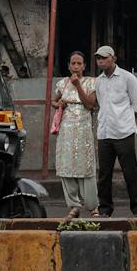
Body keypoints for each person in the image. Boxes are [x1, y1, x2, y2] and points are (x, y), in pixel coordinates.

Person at [92, 45, 137, 218]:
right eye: (98, 57)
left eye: (104, 57)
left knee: (130, 173)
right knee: (104, 175)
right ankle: (105, 210)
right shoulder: (98, 81)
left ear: (113, 58)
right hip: (104, 134)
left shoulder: (128, 78)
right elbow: (100, 105)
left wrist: (126, 124)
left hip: (124, 133)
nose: (100, 60)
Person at [53, 51, 99, 219]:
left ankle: (93, 206)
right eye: (73, 63)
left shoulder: (91, 82)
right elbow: (53, 101)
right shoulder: (62, 83)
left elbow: (90, 105)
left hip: (83, 130)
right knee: (67, 166)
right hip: (66, 131)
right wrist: (58, 103)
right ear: (69, 66)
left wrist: (78, 84)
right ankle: (74, 205)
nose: (76, 66)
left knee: (86, 166)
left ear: (84, 66)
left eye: (79, 63)